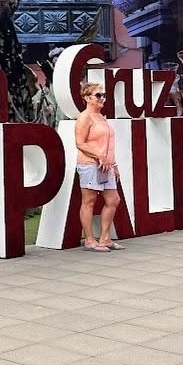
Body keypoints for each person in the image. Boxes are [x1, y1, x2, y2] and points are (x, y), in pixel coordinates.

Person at [75, 81, 124, 252]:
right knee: (89, 201)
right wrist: (98, 156)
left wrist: (114, 164)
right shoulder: (85, 117)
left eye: (103, 95)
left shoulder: (101, 117)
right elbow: (79, 143)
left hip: (106, 166)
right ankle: (89, 240)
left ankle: (105, 238)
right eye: (98, 95)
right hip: (89, 165)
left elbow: (107, 143)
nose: (102, 98)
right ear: (87, 98)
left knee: (113, 200)